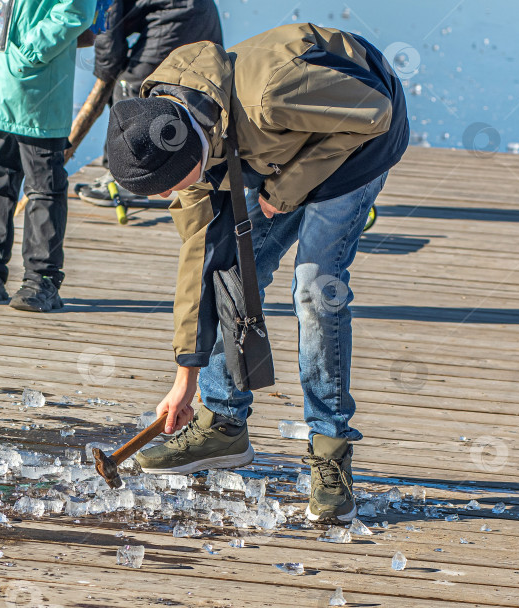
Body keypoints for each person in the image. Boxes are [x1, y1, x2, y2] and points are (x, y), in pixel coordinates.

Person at [105, 23, 409, 523]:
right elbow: (200, 260)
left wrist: (283, 189)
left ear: (192, 156)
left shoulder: (269, 95)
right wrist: (186, 375)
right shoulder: (169, 124)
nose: (164, 199)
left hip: (360, 135)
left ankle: (330, 450)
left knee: (314, 286)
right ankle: (222, 424)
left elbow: (374, 114)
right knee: (230, 270)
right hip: (281, 143)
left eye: (164, 188)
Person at [0, 0, 98, 312]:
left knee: (44, 187)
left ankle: (42, 279)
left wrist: (28, 54)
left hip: (36, 88)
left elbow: (76, 12)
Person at [75, 0, 222, 204]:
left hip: (178, 15)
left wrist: (106, 72)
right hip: (195, 11)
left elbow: (107, 27)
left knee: (129, 86)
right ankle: (187, 166)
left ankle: (126, 183)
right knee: (188, 90)